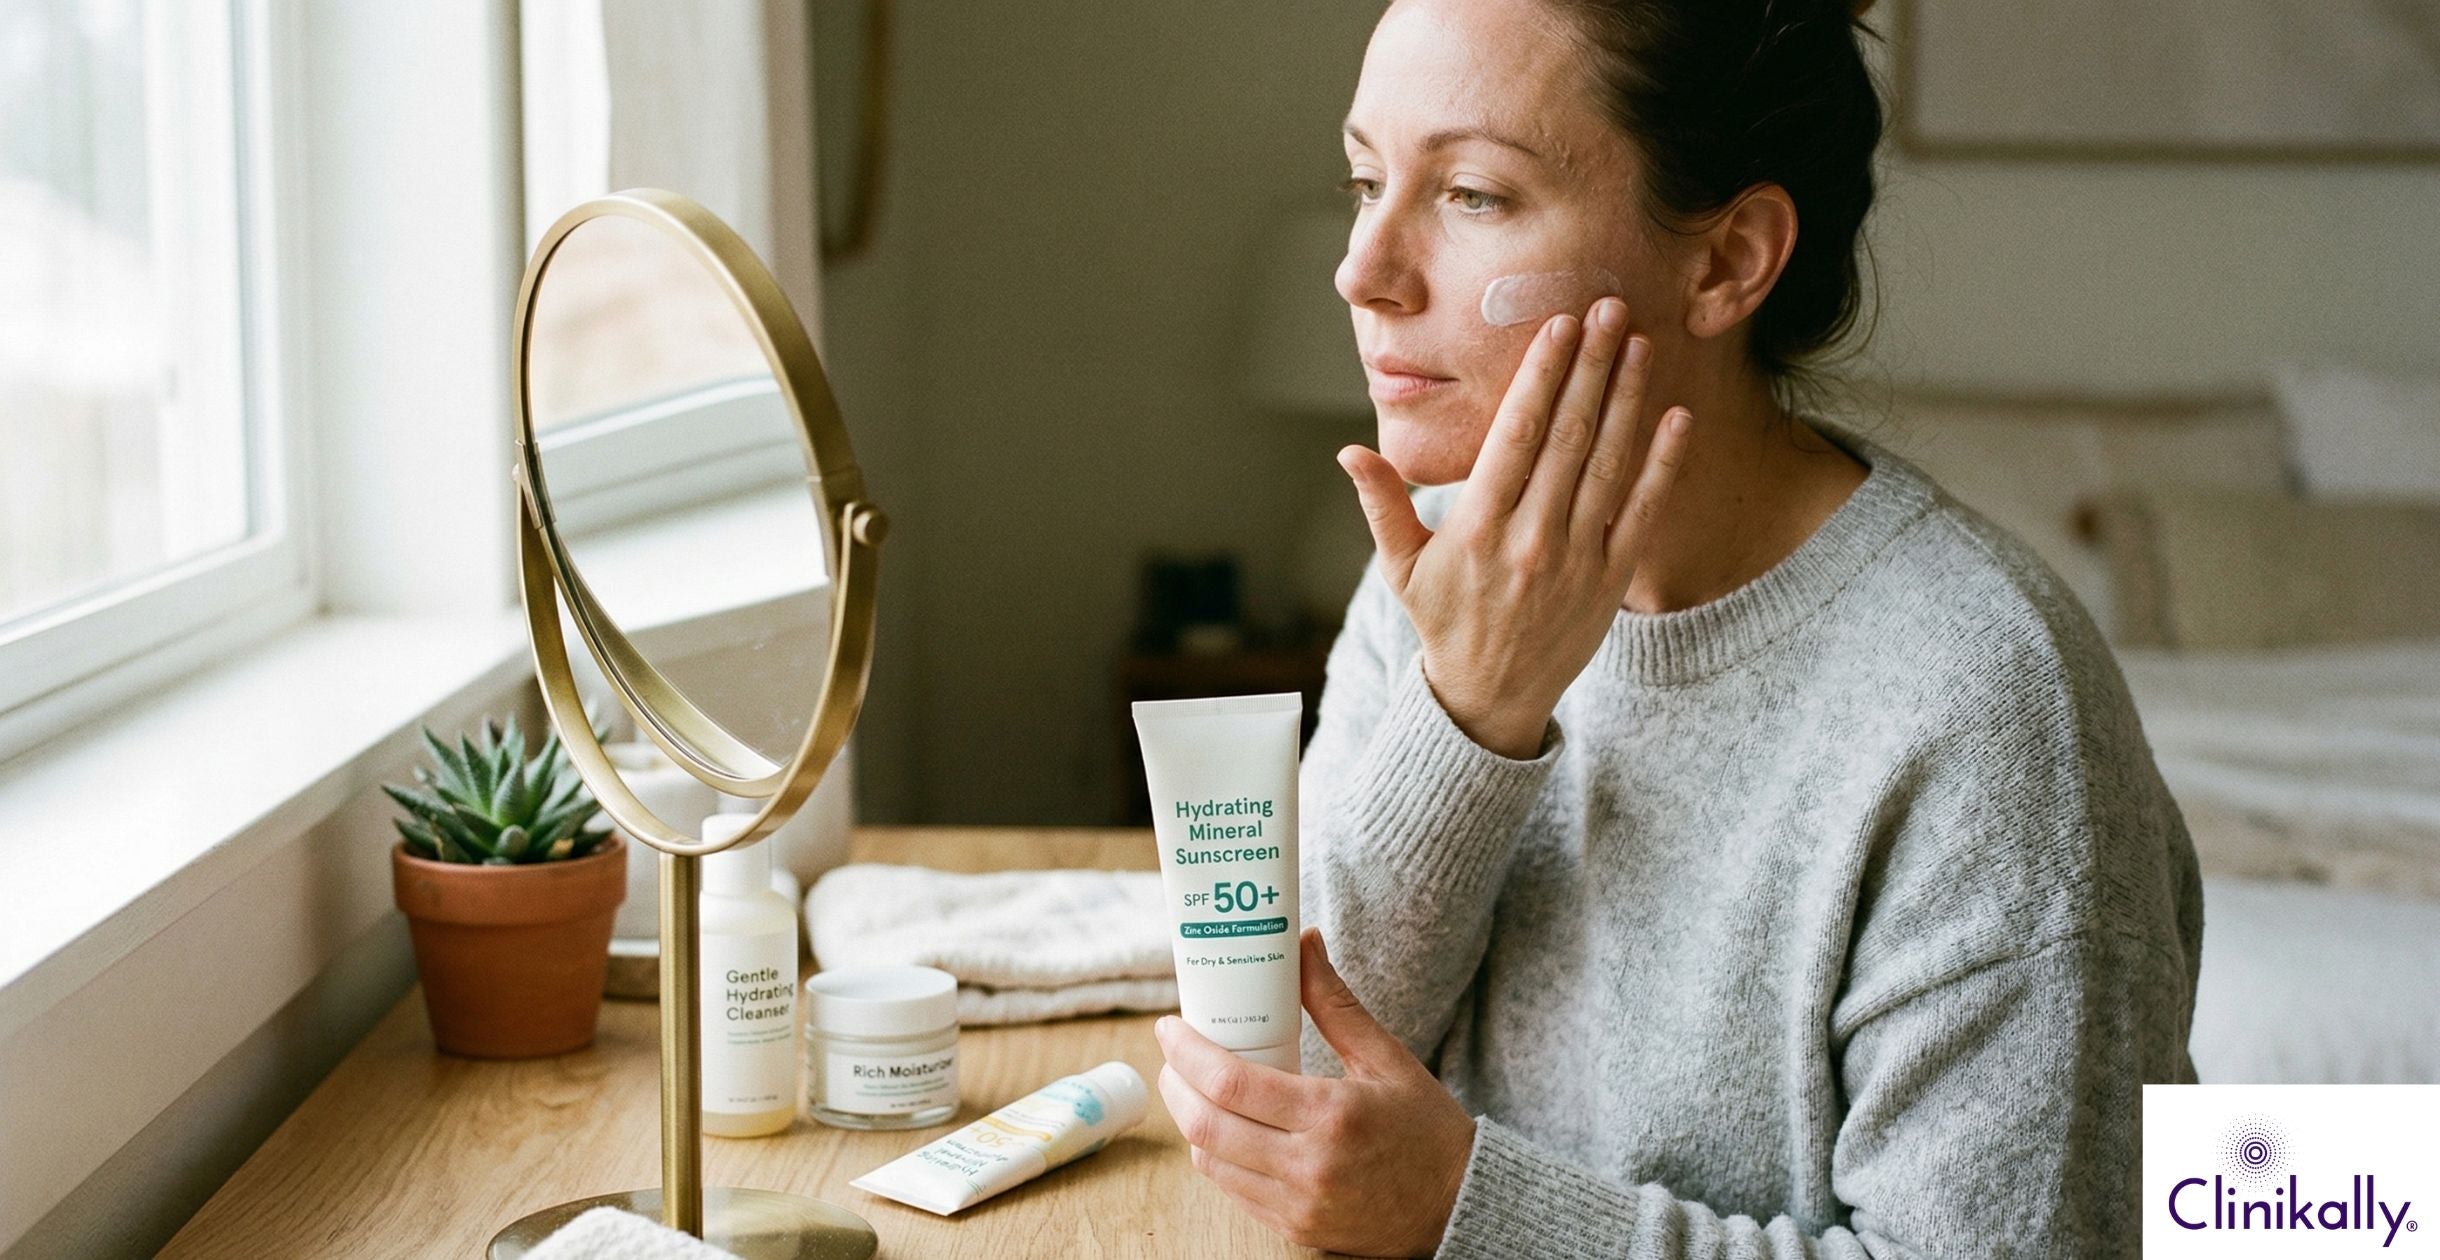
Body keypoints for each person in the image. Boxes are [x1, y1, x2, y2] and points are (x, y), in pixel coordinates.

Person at [1149, 0, 2204, 1255]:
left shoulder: (1984, 708)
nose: (1362, 269)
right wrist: (1470, 715)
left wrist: (1464, 1211)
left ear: (1726, 262)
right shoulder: (1447, 565)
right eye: (1365, 178)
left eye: (1473, 194)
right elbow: (1289, 1090)